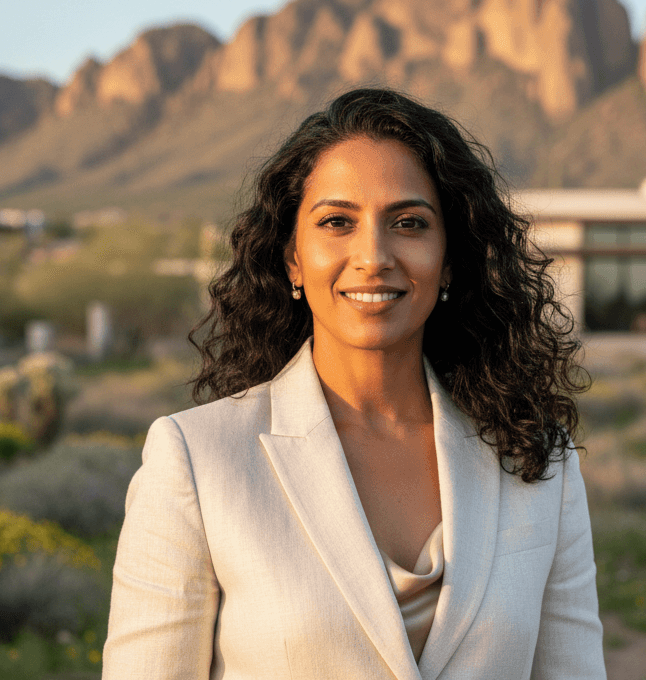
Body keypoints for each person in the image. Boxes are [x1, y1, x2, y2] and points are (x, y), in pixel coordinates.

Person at [102, 88, 606, 680]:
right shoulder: (198, 459)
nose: (374, 255)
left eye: (409, 223)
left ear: (449, 259)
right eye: (337, 222)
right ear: (292, 256)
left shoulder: (537, 459)